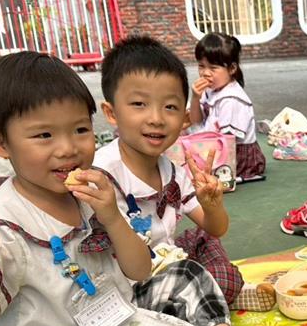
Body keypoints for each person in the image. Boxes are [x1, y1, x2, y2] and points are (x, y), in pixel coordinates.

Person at [0, 52, 301, 326]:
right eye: (44, 135)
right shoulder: (0, 225)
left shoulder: (92, 192)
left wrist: (112, 218)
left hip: (119, 315)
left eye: (80, 130)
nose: (68, 148)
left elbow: (139, 270)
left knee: (186, 274)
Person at [94, 35, 253, 309]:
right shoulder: (101, 175)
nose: (156, 118)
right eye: (139, 104)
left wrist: (212, 206)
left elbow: (216, 228)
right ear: (111, 112)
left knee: (204, 241)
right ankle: (210, 301)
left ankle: (208, 297)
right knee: (211, 282)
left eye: (170, 107)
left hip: (169, 262)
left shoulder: (173, 171)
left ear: (184, 118)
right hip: (130, 285)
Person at [188, 32, 266, 183]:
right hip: (214, 147)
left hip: (237, 156)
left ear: (232, 69)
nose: (205, 73)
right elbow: (195, 122)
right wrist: (195, 97)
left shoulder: (231, 99)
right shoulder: (210, 90)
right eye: (201, 66)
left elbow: (228, 142)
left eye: (213, 68)